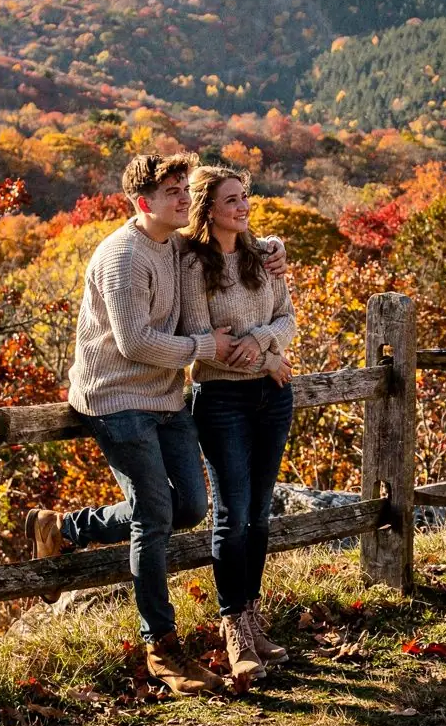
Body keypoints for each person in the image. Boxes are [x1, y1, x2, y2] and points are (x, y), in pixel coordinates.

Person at [25, 151, 286, 696]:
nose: (183, 198)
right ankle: (162, 650)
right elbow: (135, 343)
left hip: (166, 398)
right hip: (116, 398)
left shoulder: (176, 248)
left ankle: (65, 528)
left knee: (191, 507)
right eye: (172, 192)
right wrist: (203, 346)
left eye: (185, 189)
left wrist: (273, 250)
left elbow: (237, 255)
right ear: (144, 203)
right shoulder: (123, 256)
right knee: (154, 514)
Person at [179, 163, 297, 680]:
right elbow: (204, 341)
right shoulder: (192, 266)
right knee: (232, 513)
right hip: (222, 399)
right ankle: (233, 632)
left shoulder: (263, 256)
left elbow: (288, 318)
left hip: (273, 400)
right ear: (207, 209)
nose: (243, 207)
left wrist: (263, 341)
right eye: (231, 200)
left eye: (245, 197)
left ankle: (252, 618)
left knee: (261, 515)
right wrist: (268, 356)